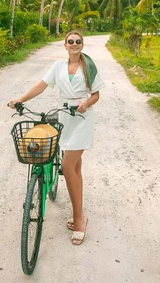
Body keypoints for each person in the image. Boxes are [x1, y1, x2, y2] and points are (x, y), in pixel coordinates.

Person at [8, 30, 105, 246]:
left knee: (68, 167)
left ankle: (79, 218)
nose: (74, 44)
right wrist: (20, 99)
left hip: (81, 117)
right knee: (76, 168)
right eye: (70, 41)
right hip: (64, 117)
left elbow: (96, 94)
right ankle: (79, 211)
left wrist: (86, 104)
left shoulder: (88, 66)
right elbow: (41, 85)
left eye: (78, 41)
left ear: (82, 44)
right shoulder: (58, 67)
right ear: (65, 44)